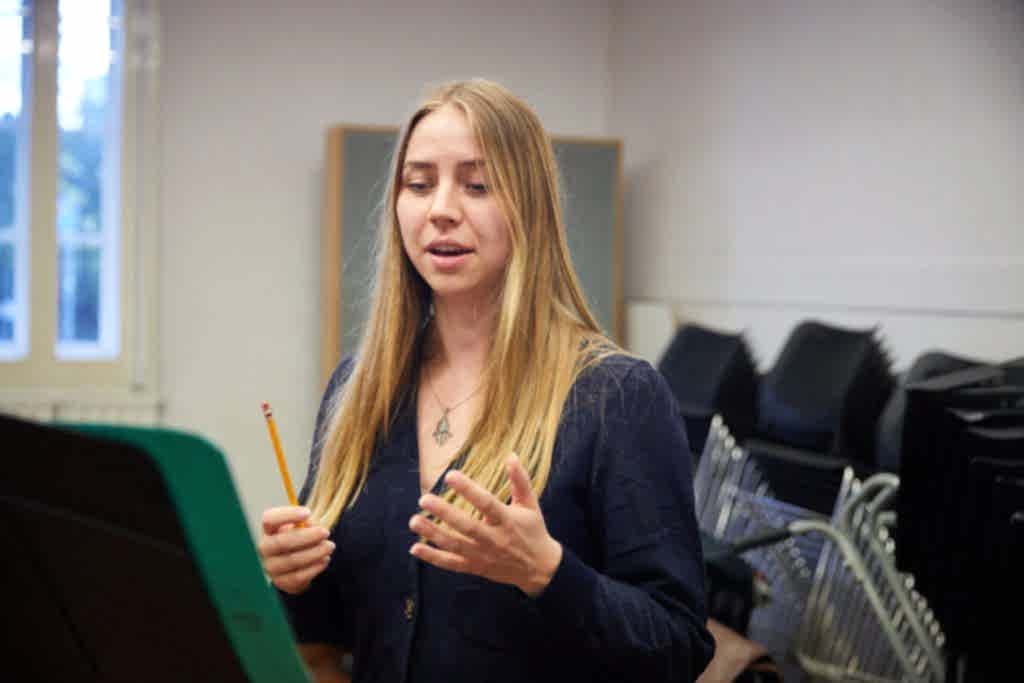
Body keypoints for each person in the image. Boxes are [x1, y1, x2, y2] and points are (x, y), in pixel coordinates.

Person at [257, 78, 714, 683]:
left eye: (477, 185)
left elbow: (677, 646)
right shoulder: (358, 388)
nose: (441, 208)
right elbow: (343, 629)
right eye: (418, 184)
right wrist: (291, 580)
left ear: (530, 206)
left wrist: (547, 572)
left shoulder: (617, 397)